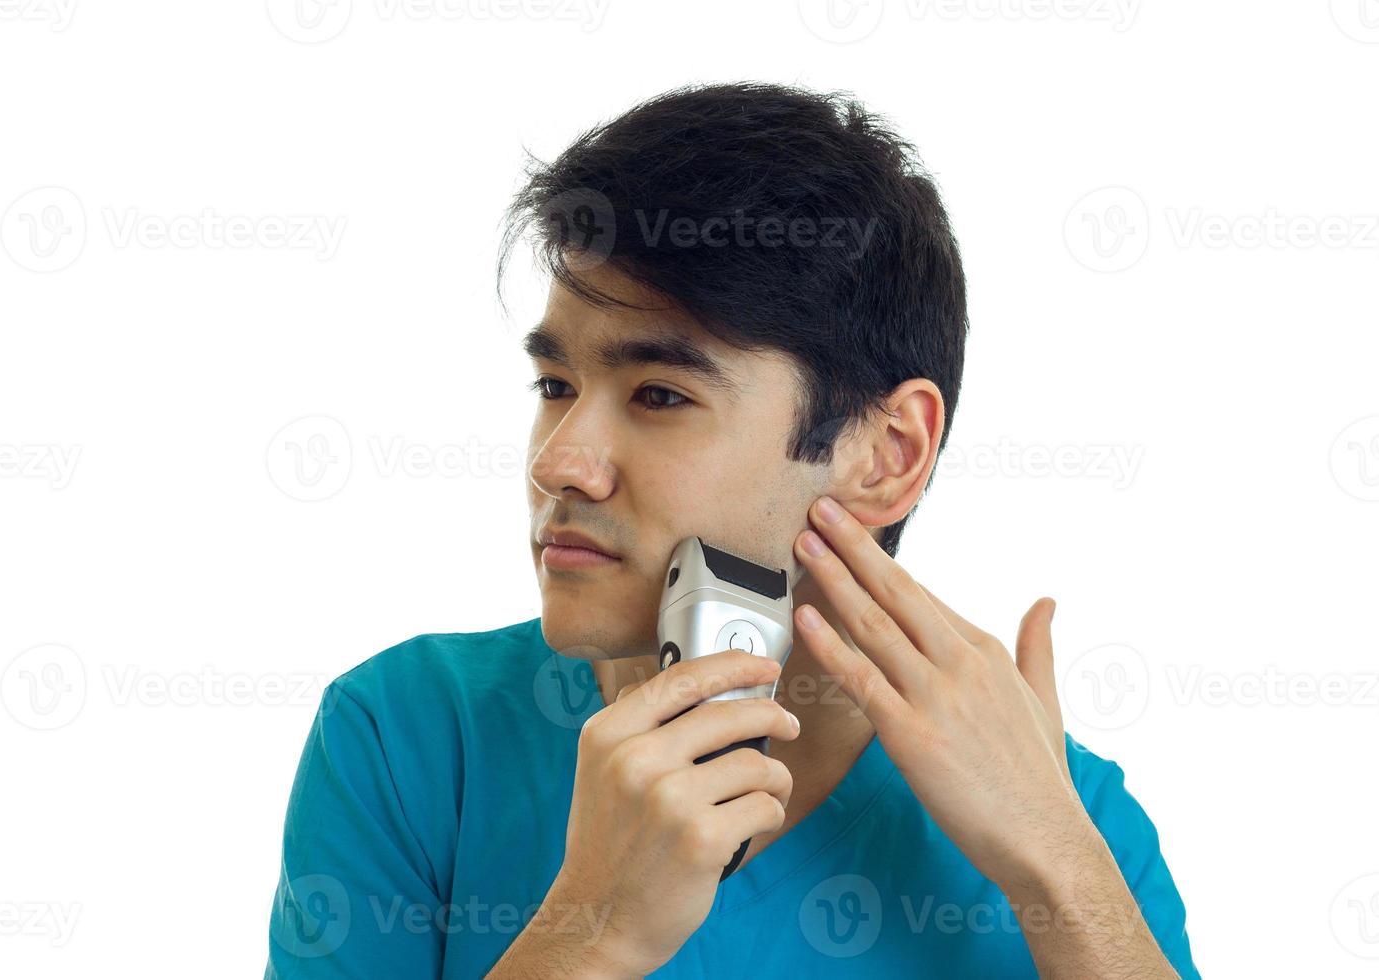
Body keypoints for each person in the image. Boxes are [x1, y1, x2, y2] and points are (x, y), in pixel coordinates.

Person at [265, 81, 1200, 978]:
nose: (559, 462)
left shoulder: (1075, 818)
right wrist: (591, 934)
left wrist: (1066, 876)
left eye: (660, 395)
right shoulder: (411, 735)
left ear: (885, 454)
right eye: (555, 387)